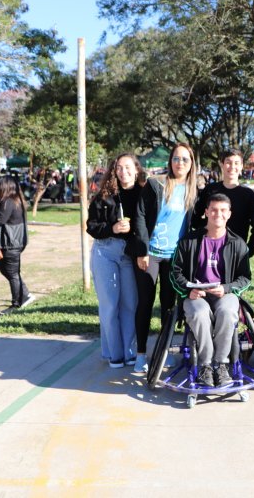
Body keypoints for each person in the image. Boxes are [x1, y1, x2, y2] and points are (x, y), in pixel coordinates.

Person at [171, 193, 251, 387]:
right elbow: (175, 272)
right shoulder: (189, 241)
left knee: (227, 310)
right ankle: (206, 365)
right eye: (214, 210)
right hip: (196, 294)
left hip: (224, 293)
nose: (218, 214)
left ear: (229, 214)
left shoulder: (237, 243)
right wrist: (187, 290)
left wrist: (226, 288)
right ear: (206, 212)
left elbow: (245, 278)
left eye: (223, 210)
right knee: (198, 313)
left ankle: (221, 364)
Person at [134, 142, 199, 373]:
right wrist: (142, 250)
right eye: (176, 158)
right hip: (150, 255)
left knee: (169, 307)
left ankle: (164, 351)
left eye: (185, 159)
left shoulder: (194, 190)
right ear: (170, 161)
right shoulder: (156, 184)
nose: (180, 163)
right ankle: (141, 354)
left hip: (175, 258)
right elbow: (140, 216)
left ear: (191, 164)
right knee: (145, 304)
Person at [87, 153, 145, 369]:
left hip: (129, 254)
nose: (123, 171)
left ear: (136, 169)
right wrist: (111, 228)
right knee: (110, 305)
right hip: (105, 252)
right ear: (114, 170)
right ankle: (114, 353)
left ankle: (130, 352)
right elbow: (91, 226)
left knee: (130, 304)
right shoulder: (104, 196)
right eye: (119, 167)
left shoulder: (143, 193)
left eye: (128, 167)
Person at [192, 149, 254, 256]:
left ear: (242, 166)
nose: (232, 167)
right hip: (209, 248)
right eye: (228, 162)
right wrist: (207, 229)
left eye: (236, 163)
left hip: (235, 251)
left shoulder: (248, 195)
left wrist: (249, 249)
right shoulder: (210, 190)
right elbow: (195, 218)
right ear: (222, 164)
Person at [0, 176, 34, 315]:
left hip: (11, 243)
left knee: (11, 273)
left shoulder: (8, 202)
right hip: (15, 242)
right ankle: (25, 295)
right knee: (8, 271)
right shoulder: (17, 200)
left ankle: (16, 303)